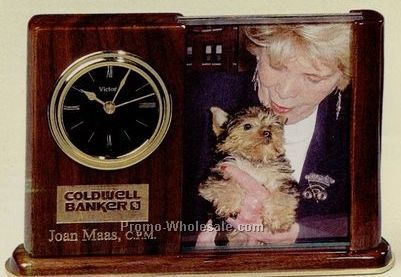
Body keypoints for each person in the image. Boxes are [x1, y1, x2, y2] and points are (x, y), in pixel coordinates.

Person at [182, 23, 352, 248]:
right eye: (277, 66)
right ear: (257, 51)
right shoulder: (203, 97)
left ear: (343, 78)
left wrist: (302, 235)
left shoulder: (361, 122)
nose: (286, 91)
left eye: (313, 78)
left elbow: (376, 219)